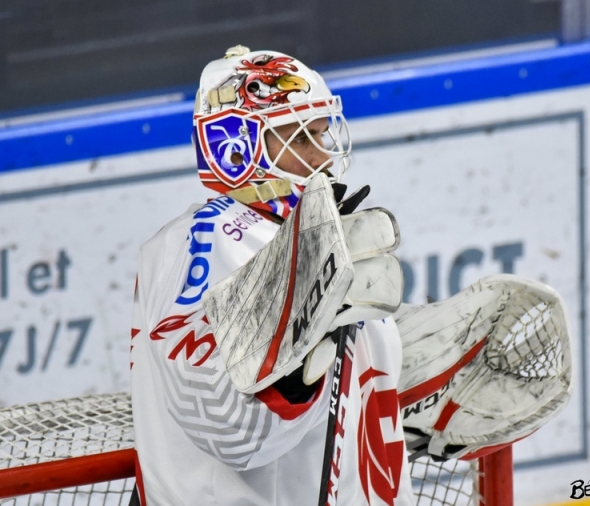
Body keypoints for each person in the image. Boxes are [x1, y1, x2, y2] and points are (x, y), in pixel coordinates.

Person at [130, 46, 413, 505]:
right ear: (237, 146)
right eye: (301, 139)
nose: (322, 156)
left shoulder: (312, 242)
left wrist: (426, 383)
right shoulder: (208, 239)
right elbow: (224, 421)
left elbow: (342, 396)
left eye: (322, 134)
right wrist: (294, 371)